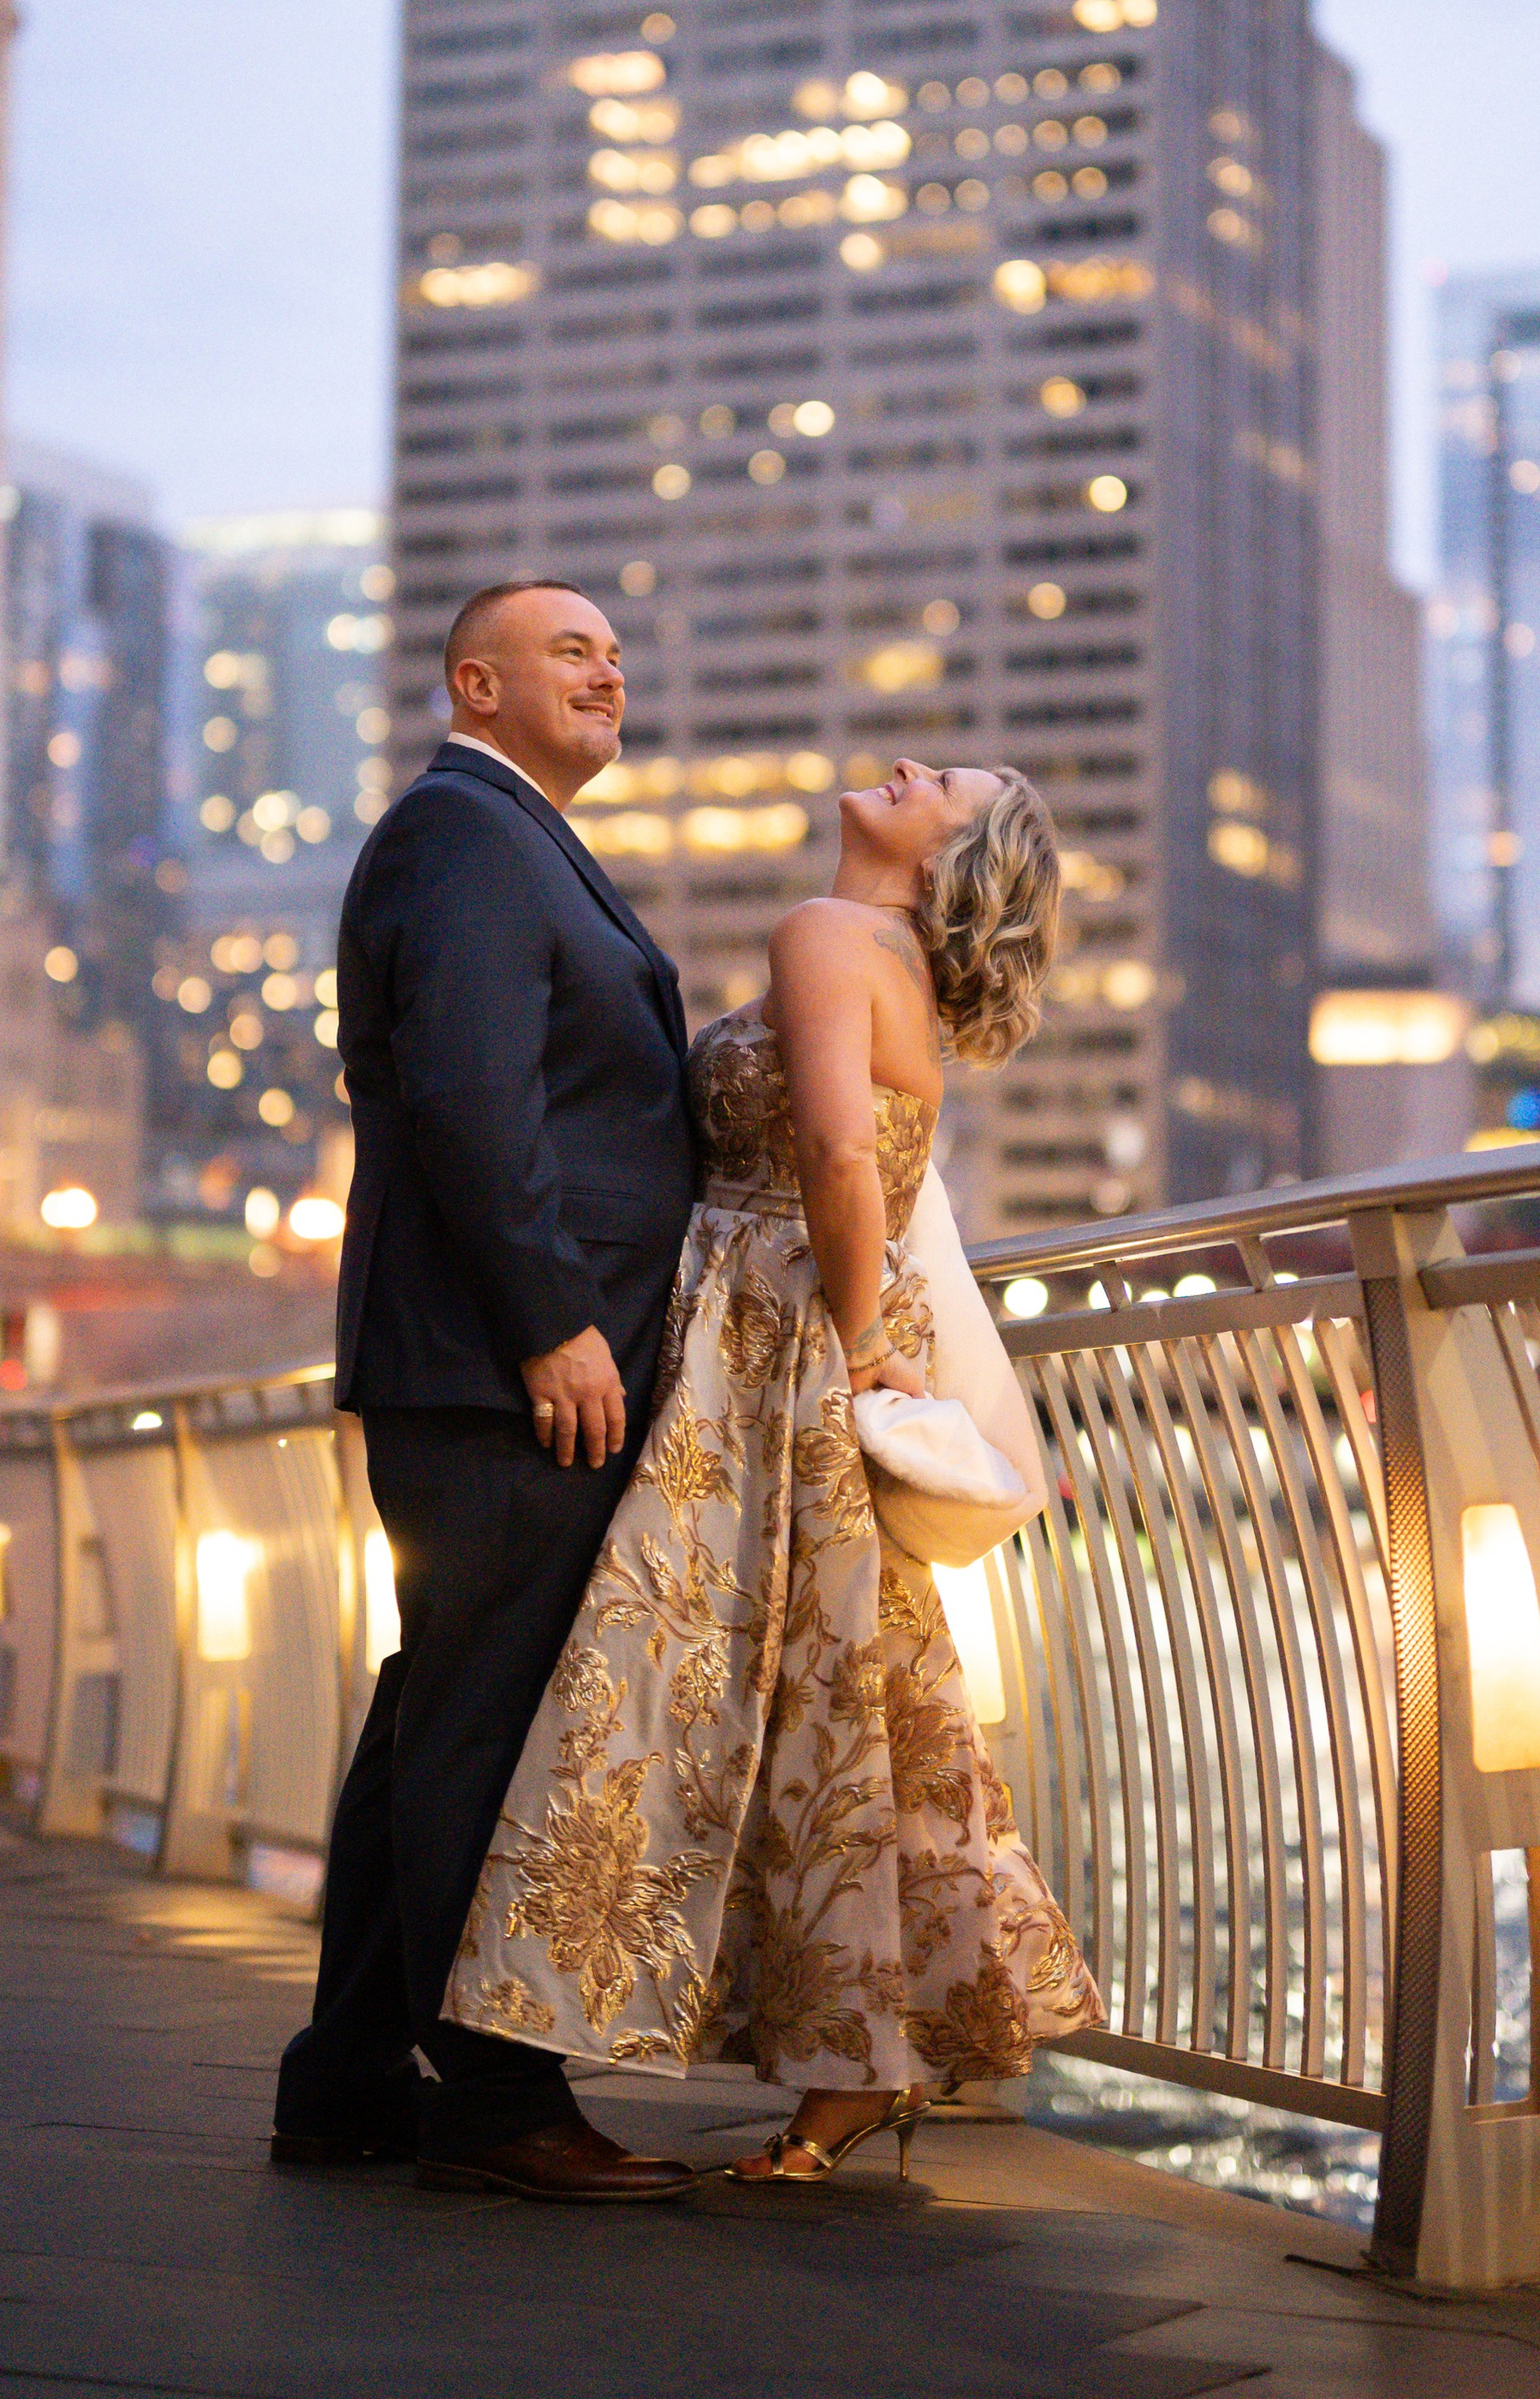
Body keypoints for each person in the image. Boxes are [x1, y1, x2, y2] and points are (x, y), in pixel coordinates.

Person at [443, 753, 1103, 2183]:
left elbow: (837, 1154)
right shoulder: (887, 959)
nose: (908, 764)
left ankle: (674, 2027)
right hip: (800, 1323)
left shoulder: (826, 932)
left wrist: (855, 1347)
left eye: (947, 781)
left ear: (947, 856)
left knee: (688, 1670)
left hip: (776, 1336)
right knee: (843, 1693)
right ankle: (855, 2065)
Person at [272, 577, 702, 2203]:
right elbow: (465, 1093)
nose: (608, 666)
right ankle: (497, 2094)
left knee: (435, 1711)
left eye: (613, 647)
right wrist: (551, 1322)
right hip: (501, 1363)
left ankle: (349, 2082)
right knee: (486, 1718)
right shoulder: (464, 834)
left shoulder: (517, 839)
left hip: (494, 1356)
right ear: (477, 682)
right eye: (568, 649)